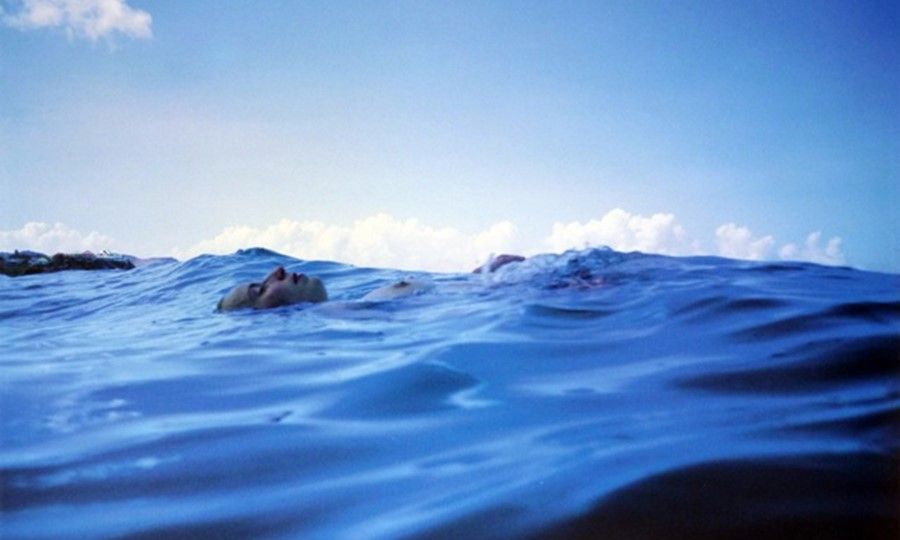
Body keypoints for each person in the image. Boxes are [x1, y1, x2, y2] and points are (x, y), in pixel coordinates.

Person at [217, 254, 527, 312]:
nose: (279, 270)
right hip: (514, 294)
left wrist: (477, 276)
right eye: (261, 288)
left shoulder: (347, 308)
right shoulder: (335, 315)